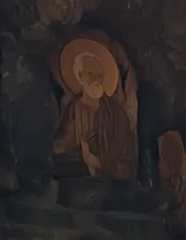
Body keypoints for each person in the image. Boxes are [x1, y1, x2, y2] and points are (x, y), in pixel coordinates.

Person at [52, 41, 135, 180]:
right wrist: (61, 147)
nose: (96, 79)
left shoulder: (116, 114)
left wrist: (102, 165)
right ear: (80, 76)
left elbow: (127, 156)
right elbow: (64, 142)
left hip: (112, 182)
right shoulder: (74, 108)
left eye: (100, 75)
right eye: (91, 73)